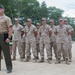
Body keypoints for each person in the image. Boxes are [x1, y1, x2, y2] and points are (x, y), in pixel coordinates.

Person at [0, 4, 12, 73]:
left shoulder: (7, 18)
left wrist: (9, 38)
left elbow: (10, 28)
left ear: (3, 9)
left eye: (0, 9)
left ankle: (9, 67)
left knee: (6, 53)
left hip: (4, 35)